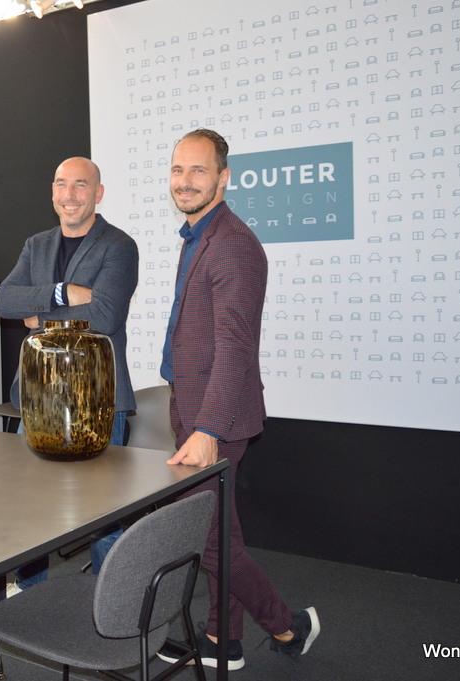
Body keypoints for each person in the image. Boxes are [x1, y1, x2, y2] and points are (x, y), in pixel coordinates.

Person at [157, 129, 320, 670]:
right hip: (193, 406)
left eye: (198, 171)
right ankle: (222, 639)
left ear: (224, 177)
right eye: (178, 170)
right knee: (220, 532)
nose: (185, 181)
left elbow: (234, 347)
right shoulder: (198, 235)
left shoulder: (232, 243)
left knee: (210, 541)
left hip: (216, 418)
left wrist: (207, 430)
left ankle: (286, 626)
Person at [0, 156, 139, 590]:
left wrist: (39, 315)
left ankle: (113, 602)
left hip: (99, 399)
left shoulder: (118, 246)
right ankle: (30, 593)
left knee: (104, 514)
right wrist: (63, 292)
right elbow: (5, 301)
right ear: (52, 192)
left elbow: (106, 315)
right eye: (61, 184)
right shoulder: (36, 245)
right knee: (33, 505)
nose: (70, 195)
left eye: (80, 185)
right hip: (40, 400)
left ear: (98, 193)